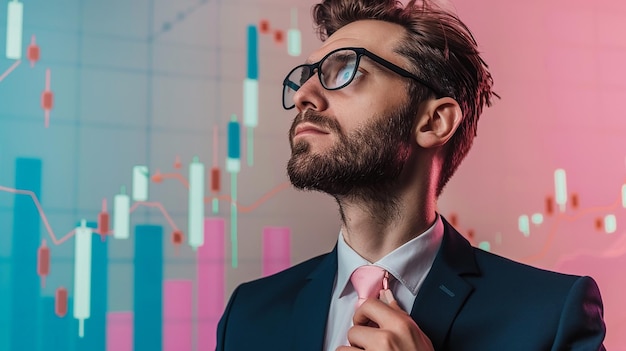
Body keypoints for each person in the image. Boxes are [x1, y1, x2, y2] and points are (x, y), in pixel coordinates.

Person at [216, 0, 606, 349]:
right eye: (307, 77)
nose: (304, 95)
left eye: (345, 70)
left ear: (434, 121)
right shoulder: (249, 316)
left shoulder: (552, 316)